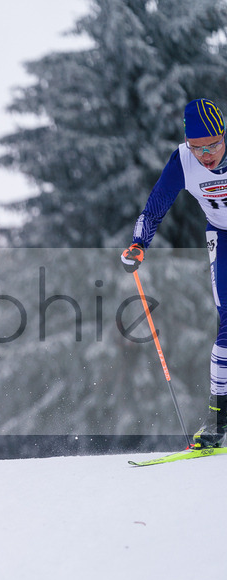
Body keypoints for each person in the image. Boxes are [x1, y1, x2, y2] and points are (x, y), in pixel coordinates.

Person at [121, 97, 227, 449]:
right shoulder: (183, 161)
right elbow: (153, 209)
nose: (206, 155)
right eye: (198, 148)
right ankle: (219, 422)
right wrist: (139, 244)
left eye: (213, 144)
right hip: (222, 236)